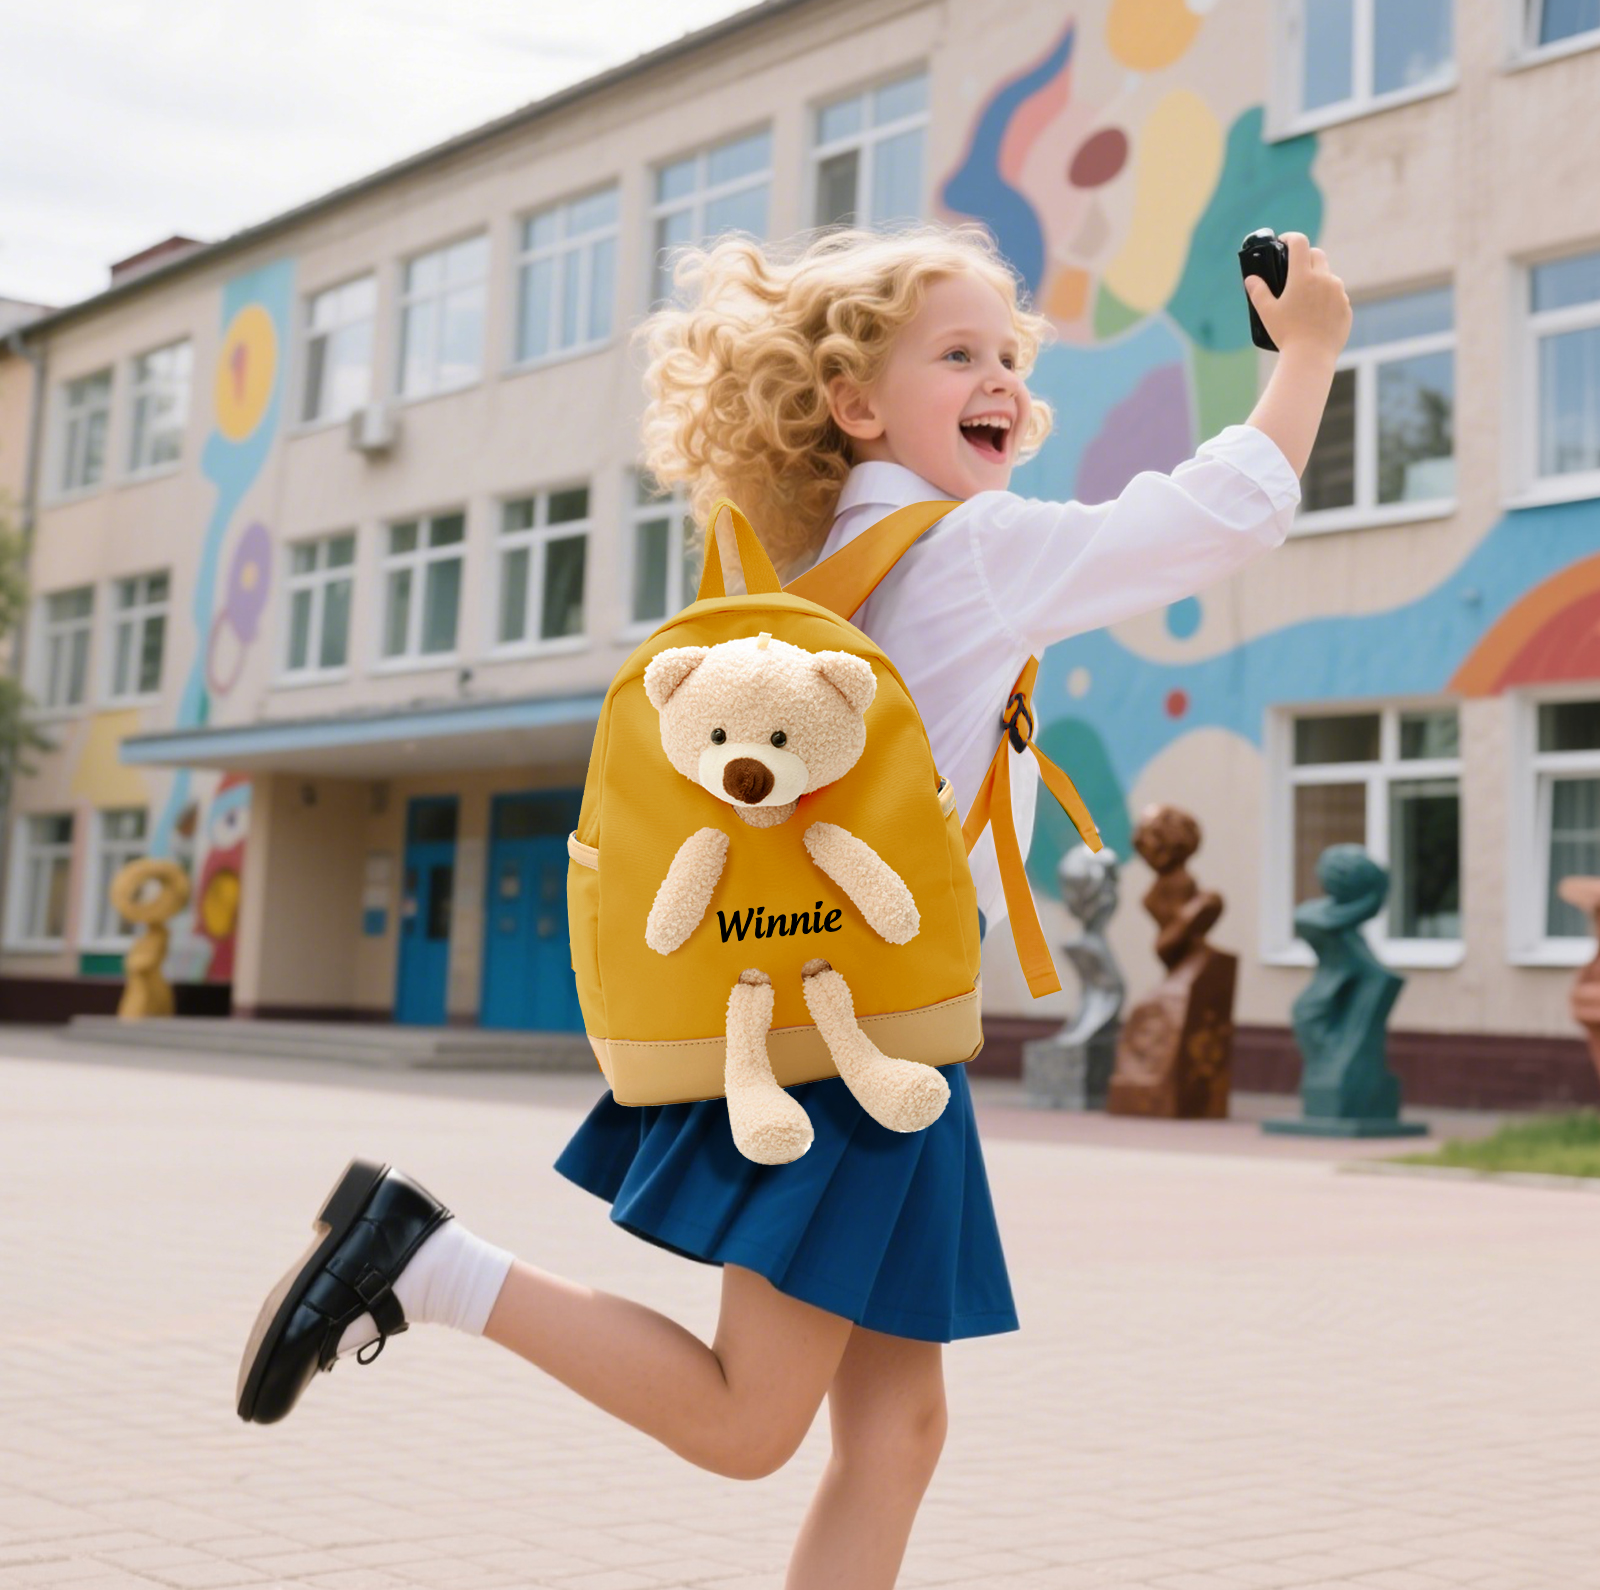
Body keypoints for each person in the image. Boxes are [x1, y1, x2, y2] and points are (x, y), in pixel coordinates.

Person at [237, 221, 1349, 1590]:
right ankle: (426, 1262)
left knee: (899, 1428)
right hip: (847, 1049)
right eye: (957, 353)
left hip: (836, 1028)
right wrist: (1307, 357)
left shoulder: (812, 568)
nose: (1000, 377)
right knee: (748, 1421)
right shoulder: (974, 548)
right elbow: (1216, 518)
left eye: (1008, 355)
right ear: (854, 403)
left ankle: (430, 1262)